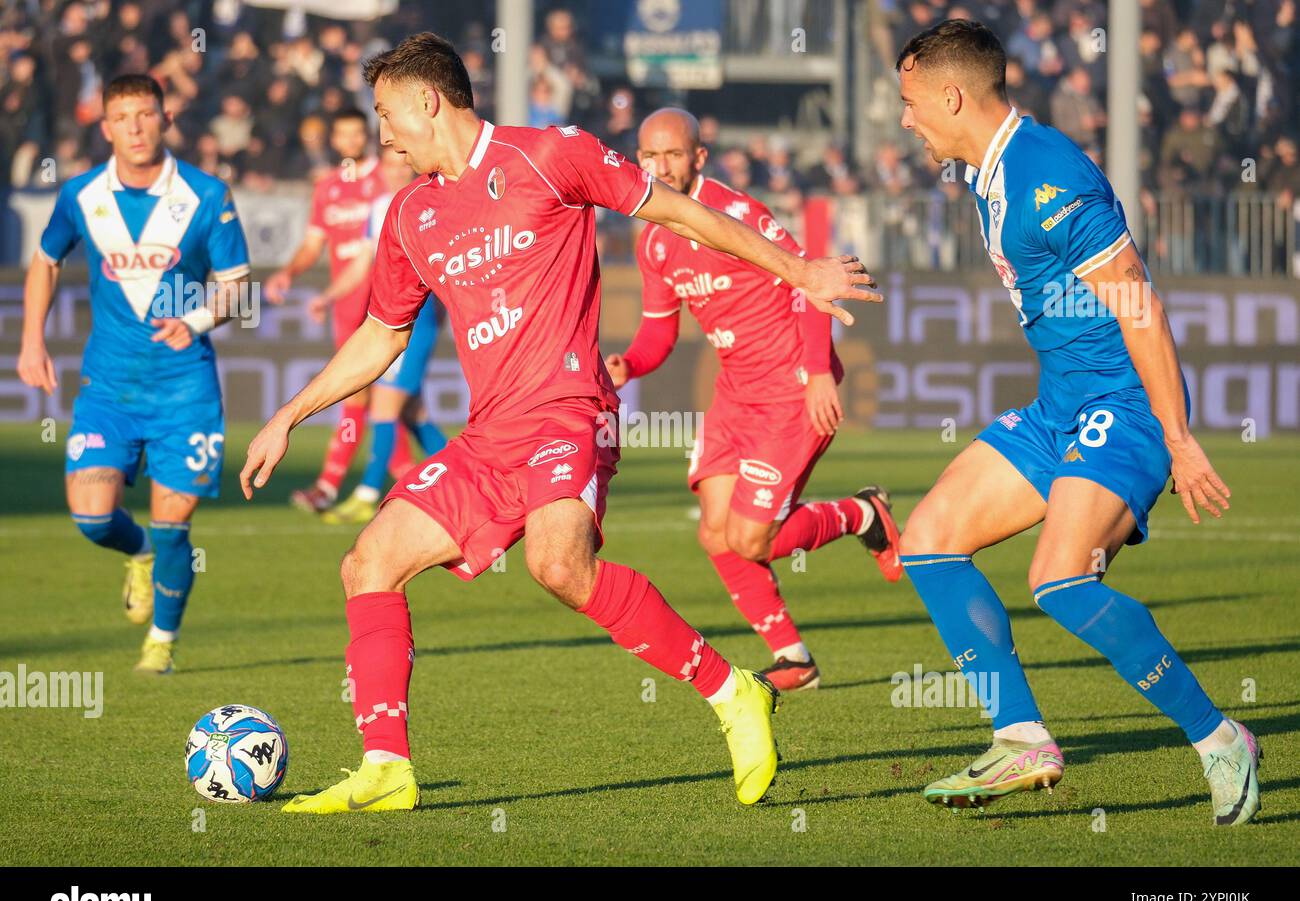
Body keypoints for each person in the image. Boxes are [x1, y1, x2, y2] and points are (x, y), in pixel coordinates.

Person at [240, 32, 879, 814]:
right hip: (488, 437)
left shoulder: (550, 154)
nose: (381, 135)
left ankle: (731, 690)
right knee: (367, 563)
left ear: (426, 102)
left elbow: (678, 211)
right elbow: (382, 334)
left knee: (558, 566)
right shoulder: (410, 215)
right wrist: (288, 415)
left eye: (385, 114)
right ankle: (385, 766)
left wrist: (801, 271)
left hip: (567, 414)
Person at [894, 19, 1260, 825]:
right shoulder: (992, 172)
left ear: (953, 95)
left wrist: (1178, 437)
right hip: (1061, 403)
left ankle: (1218, 735)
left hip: (1123, 407)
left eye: (912, 102)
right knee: (926, 540)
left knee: (1058, 581)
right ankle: (1021, 736)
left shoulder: (1047, 178)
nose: (907, 118)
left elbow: (1140, 308)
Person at [606, 108, 901, 693]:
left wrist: (818, 371)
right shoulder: (654, 240)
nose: (659, 167)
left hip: (791, 390)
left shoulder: (737, 215)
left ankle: (863, 513)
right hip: (734, 396)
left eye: (672, 155)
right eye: (649, 155)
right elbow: (659, 331)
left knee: (748, 538)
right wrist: (629, 364)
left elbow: (810, 281)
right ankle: (794, 659)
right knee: (715, 533)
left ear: (698, 158)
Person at [17, 74, 251, 675]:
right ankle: (137, 552)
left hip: (185, 390)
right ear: (106, 126)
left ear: (166, 119)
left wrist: (196, 320)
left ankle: (161, 642)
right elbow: (44, 261)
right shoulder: (80, 195)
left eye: (146, 114)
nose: (136, 127)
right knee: (93, 518)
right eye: (123, 117)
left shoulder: (207, 195)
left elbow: (237, 289)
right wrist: (30, 341)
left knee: (175, 523)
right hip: (110, 387)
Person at [263, 108, 412, 513]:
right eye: (341, 134)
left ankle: (333, 486)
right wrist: (288, 273)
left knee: (372, 396)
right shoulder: (327, 188)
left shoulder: (387, 175)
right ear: (334, 139)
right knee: (379, 399)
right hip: (346, 302)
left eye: (355, 134)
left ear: (365, 136)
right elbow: (313, 244)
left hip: (386, 300)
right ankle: (415, 483)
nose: (349, 141)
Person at [307, 146, 448, 524]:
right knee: (413, 413)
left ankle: (368, 494)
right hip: (396, 321)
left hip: (419, 323)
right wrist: (328, 296)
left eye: (401, 163)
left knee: (385, 408)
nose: (394, 172)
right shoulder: (380, 207)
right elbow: (362, 265)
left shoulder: (434, 200)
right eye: (387, 165)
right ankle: (468, 484)